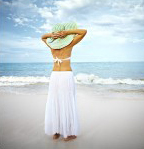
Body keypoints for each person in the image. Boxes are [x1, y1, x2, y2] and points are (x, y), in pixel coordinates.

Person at [41, 22, 87, 141]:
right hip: (66, 75)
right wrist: (67, 32)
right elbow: (84, 31)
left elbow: (42, 37)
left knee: (55, 101)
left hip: (54, 75)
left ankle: (56, 131)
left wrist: (52, 35)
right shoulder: (70, 43)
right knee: (67, 102)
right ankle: (70, 133)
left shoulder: (51, 46)